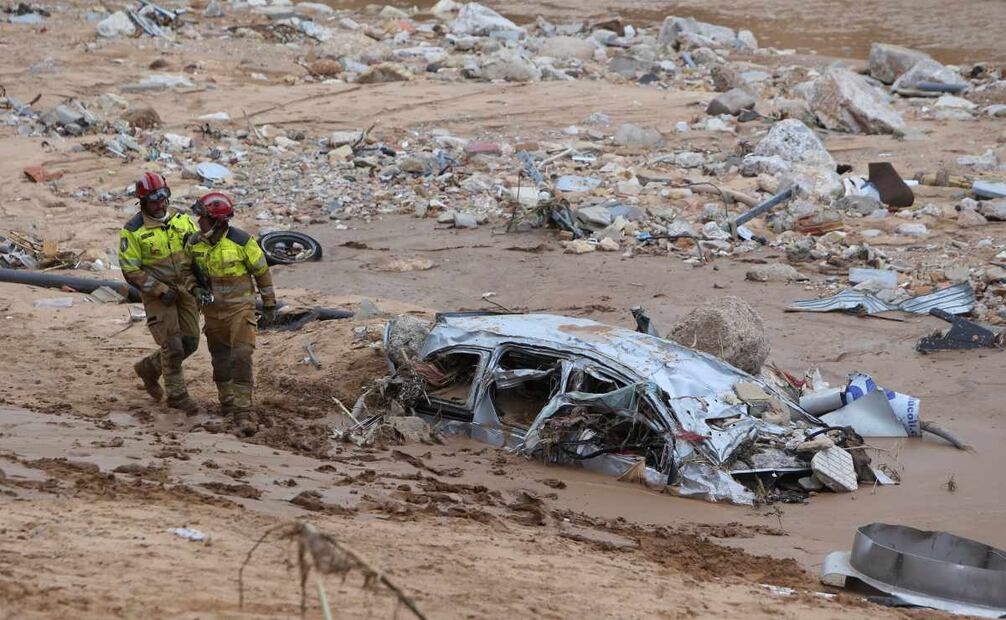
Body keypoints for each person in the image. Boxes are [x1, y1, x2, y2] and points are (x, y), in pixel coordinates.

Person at [186, 192, 276, 436]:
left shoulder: (242, 242)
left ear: (216, 220)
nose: (198, 222)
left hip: (240, 310)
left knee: (242, 355)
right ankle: (227, 405)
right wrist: (195, 290)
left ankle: (243, 411)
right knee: (220, 358)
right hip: (213, 313)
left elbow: (262, 272)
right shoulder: (194, 244)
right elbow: (187, 274)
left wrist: (269, 304)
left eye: (202, 217)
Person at [119, 172, 201, 414]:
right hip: (158, 294)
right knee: (173, 344)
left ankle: (149, 368)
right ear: (142, 202)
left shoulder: (182, 220)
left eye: (163, 198)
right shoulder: (133, 231)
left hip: (186, 288)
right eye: (154, 200)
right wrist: (158, 289)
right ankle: (177, 395)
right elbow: (130, 269)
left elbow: (197, 251)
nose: (160, 204)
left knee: (190, 342)